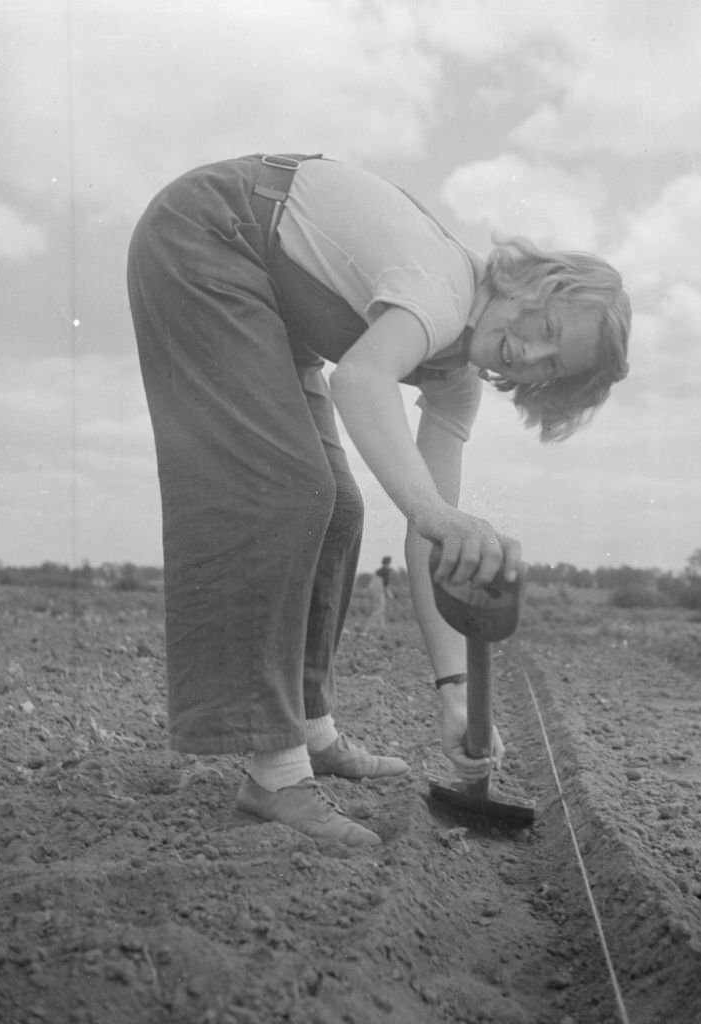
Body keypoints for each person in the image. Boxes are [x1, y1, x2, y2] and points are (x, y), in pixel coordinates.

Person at [127, 152, 631, 852]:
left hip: (268, 292)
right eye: (547, 328)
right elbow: (361, 381)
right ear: (534, 283)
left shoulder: (458, 378)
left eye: (553, 367)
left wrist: (454, 688)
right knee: (285, 494)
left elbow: (432, 537)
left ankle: (309, 727)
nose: (532, 356)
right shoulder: (442, 288)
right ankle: (274, 774)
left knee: (340, 508)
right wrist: (431, 509)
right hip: (208, 236)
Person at [364, 556, 394, 633]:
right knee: (380, 609)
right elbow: (386, 585)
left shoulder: (378, 571)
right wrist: (390, 595)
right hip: (378, 591)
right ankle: (367, 628)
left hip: (372, 591)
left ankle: (383, 628)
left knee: (380, 609)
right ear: (389, 563)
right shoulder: (386, 571)